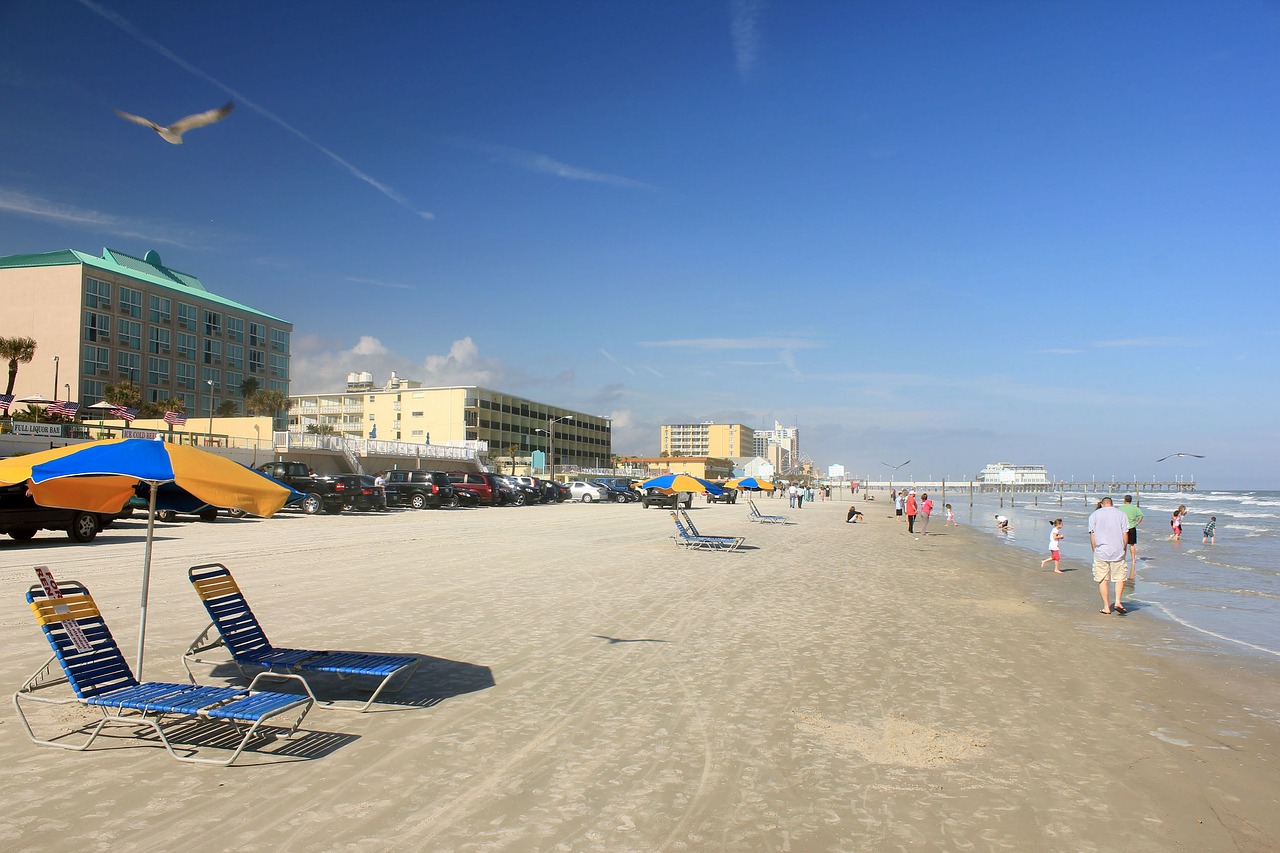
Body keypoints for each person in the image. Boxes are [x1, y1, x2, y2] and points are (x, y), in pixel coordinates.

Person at [1089, 497, 1130, 614]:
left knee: (1102, 578)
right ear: (1112, 504)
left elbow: (1093, 535)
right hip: (1118, 549)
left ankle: (1106, 607)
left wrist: (1094, 549)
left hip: (1101, 550)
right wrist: (1124, 548)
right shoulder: (1121, 514)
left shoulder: (1094, 515)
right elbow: (1125, 534)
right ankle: (1117, 601)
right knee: (1120, 577)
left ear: (1102, 504)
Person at [1119, 494, 1144, 589]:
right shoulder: (1134, 508)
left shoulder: (1121, 508)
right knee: (1132, 544)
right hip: (1132, 527)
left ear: (1124, 500)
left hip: (1123, 528)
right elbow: (1141, 516)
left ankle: (1123, 558)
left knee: (1123, 544)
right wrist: (1137, 522)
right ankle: (1133, 560)